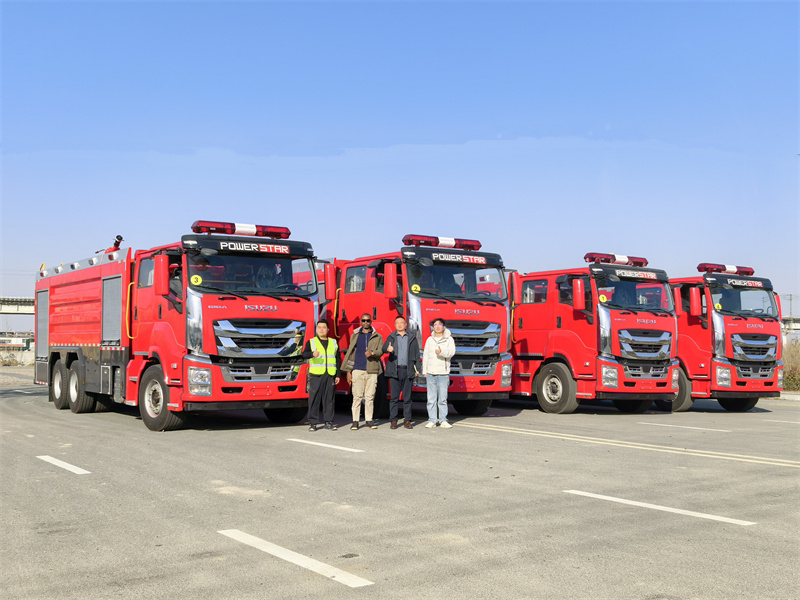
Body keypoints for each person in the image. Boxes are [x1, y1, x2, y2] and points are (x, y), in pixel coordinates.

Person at [341, 313, 384, 430]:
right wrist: (349, 371)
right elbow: (351, 354)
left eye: (368, 320)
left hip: (372, 371)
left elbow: (381, 351)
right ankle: (355, 421)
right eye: (364, 320)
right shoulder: (355, 335)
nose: (366, 322)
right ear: (361, 321)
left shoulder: (378, 336)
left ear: (371, 322)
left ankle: (369, 420)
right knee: (357, 396)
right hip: (357, 370)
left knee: (370, 397)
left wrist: (372, 353)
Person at [383, 316, 421, 429]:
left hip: (408, 370)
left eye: (401, 323)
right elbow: (383, 348)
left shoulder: (412, 338)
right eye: (397, 323)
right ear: (395, 325)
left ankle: (407, 420)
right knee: (394, 397)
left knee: (407, 398)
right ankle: (393, 420)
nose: (399, 325)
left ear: (405, 325)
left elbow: (417, 356)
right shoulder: (391, 337)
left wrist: (418, 368)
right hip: (395, 371)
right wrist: (387, 349)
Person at [301, 320, 340, 431]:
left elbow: (337, 358)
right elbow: (304, 354)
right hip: (316, 375)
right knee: (314, 399)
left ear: (328, 329)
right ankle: (313, 423)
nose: (321, 329)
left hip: (330, 374)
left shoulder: (333, 342)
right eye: (319, 327)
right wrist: (312, 354)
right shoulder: (311, 342)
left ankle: (329, 422)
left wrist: (337, 375)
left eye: (324, 327)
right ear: (316, 329)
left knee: (329, 399)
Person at [422, 318, 456, 428]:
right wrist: (425, 371)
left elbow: (451, 352)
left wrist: (442, 352)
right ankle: (432, 420)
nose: (437, 326)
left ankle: (443, 420)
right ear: (432, 327)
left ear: (443, 326)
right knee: (431, 398)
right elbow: (426, 356)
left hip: (443, 373)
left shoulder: (449, 339)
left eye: (439, 324)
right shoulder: (429, 340)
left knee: (442, 399)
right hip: (431, 373)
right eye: (435, 325)